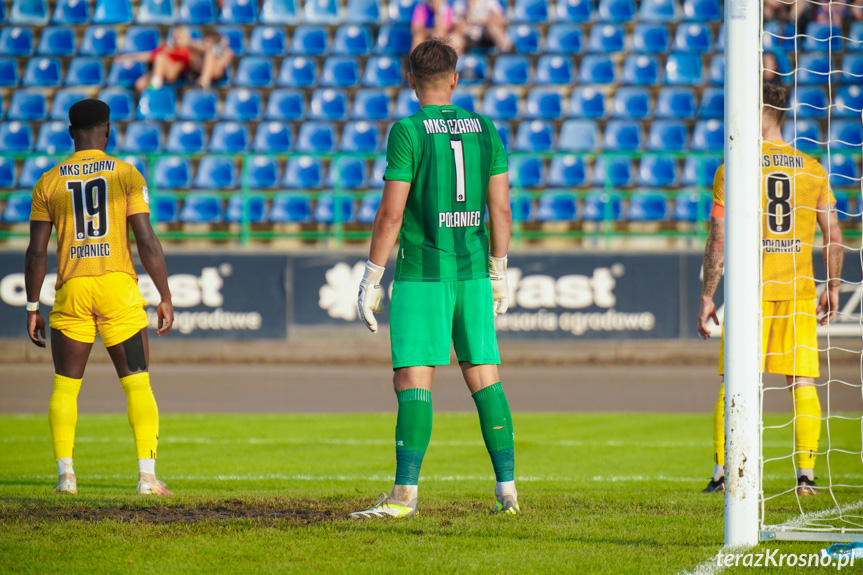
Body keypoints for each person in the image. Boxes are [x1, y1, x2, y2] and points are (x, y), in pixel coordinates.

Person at [351, 38, 516, 518]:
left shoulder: (407, 131)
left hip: (423, 272)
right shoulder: (486, 128)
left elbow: (391, 214)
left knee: (413, 378)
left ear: (410, 81)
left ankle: (405, 497)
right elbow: (501, 207)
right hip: (473, 272)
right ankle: (507, 492)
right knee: (485, 376)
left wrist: (371, 277)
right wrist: (499, 269)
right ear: (455, 79)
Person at [697, 83, 843, 496]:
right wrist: (833, 285)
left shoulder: (734, 166)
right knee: (802, 383)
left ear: (758, 112)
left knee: (733, 382)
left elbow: (719, 234)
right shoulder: (812, 168)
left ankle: (723, 474)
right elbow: (832, 232)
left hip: (748, 293)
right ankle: (807, 478)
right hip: (797, 288)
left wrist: (709, 294)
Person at [24, 99, 175, 496]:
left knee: (64, 387)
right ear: (107, 130)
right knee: (138, 384)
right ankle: (146, 478)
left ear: (71, 132)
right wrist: (164, 295)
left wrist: (31, 305)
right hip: (117, 287)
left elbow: (36, 252)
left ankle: (66, 478)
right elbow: (146, 239)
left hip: (72, 287)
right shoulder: (126, 174)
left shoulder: (48, 182)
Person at [115, 26, 193, 92]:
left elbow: (181, 66)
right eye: (176, 35)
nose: (177, 38)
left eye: (180, 35)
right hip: (159, 72)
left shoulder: (187, 50)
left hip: (174, 73)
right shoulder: (167, 48)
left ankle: (155, 83)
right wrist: (128, 57)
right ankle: (151, 89)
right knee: (140, 84)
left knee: (160, 58)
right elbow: (150, 55)